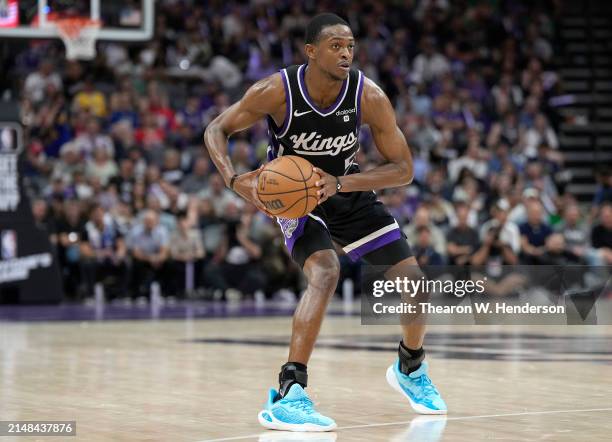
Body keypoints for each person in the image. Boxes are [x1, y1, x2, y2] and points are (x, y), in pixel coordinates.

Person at [204, 13, 446, 432]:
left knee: (416, 282)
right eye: (336, 45)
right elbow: (217, 128)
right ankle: (288, 392)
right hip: (294, 199)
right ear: (311, 51)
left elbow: (403, 169)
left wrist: (341, 183)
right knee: (325, 270)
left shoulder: (368, 95)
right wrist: (233, 179)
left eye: (350, 45)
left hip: (343, 190)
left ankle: (410, 367)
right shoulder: (276, 91)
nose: (346, 53)